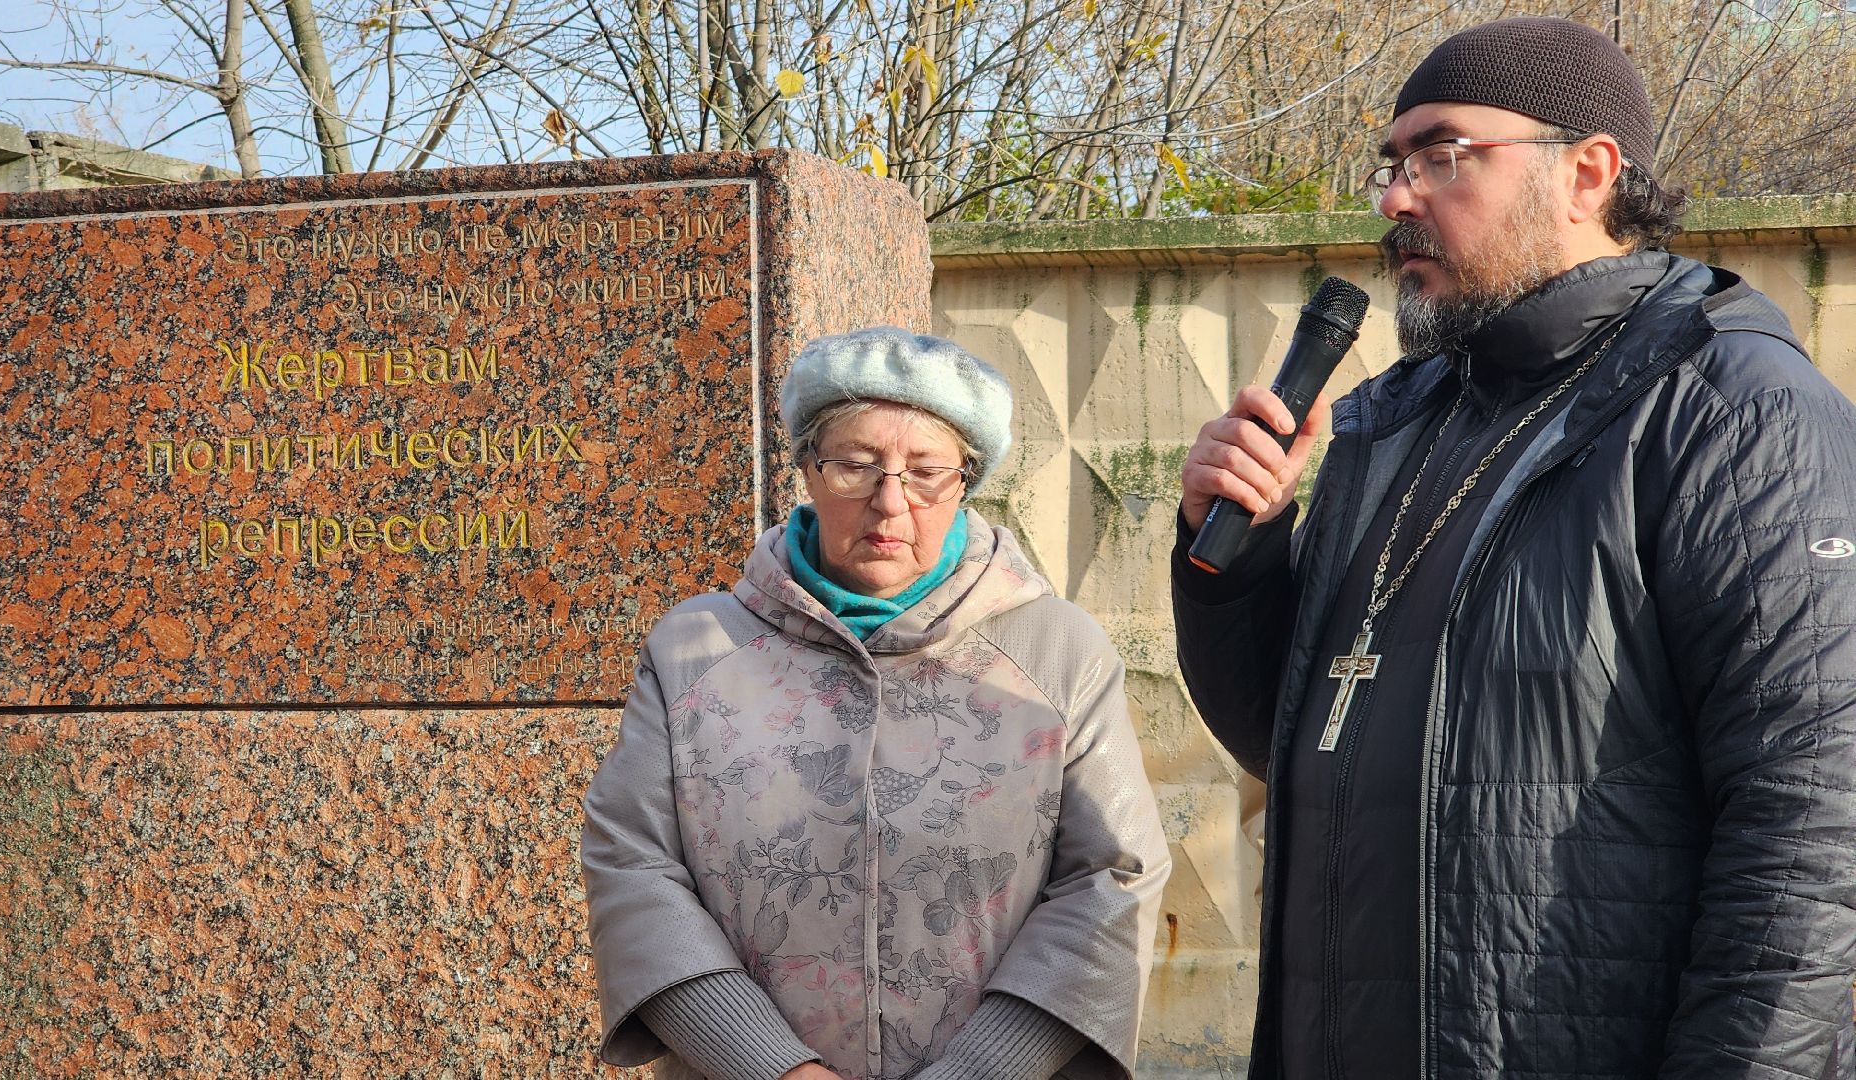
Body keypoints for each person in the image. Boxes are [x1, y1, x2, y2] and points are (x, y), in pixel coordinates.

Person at [1172, 16, 1856, 1079]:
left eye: (1441, 157)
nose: (1398, 198)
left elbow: (1813, 834)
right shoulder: (1383, 423)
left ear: (1586, 172)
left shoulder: (1728, 411)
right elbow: (1294, 743)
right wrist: (1243, 557)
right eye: (1389, 166)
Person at [582, 326, 1171, 1080]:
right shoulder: (696, 649)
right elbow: (632, 863)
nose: (890, 503)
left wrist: (983, 1070)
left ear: (967, 480)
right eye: (855, 466)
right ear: (805, 467)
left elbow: (1110, 875)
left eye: (927, 472)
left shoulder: (1057, 651)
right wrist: (773, 1068)